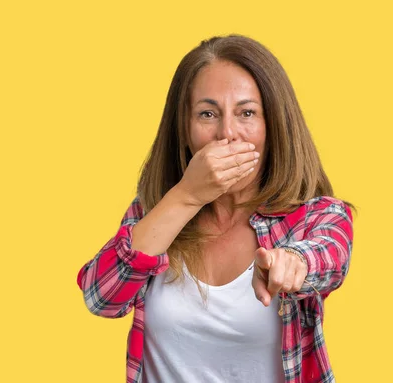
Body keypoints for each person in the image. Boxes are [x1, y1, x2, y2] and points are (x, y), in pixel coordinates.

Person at [76, 34, 354, 383]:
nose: (227, 134)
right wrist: (187, 196)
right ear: (185, 129)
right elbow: (101, 298)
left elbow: (328, 257)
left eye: (247, 113)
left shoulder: (319, 216)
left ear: (274, 126)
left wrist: (293, 263)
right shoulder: (155, 212)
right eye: (207, 114)